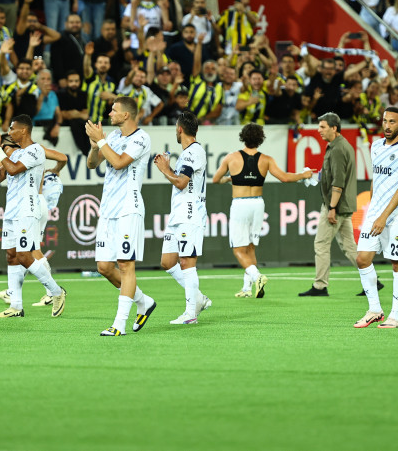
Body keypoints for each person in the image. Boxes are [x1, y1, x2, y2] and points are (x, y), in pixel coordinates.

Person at [213, 123, 312, 298]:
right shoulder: (266, 159)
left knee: (238, 249)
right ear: (260, 140)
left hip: (240, 204)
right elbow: (285, 178)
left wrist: (230, 179)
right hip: (258, 204)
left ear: (243, 137)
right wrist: (303, 175)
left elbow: (215, 179)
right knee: (250, 247)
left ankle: (258, 277)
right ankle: (246, 289)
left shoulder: (232, 158)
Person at [85, 96, 157, 336]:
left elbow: (118, 163)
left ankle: (119, 324)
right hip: (107, 209)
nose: (109, 113)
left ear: (126, 115)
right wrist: (96, 147)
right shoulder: (113, 137)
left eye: (114, 110)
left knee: (126, 265)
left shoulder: (141, 138)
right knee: (104, 266)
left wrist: (102, 140)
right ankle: (144, 301)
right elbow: (92, 164)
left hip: (129, 208)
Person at [0, 115, 67, 318]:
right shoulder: (16, 153)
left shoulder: (35, 151)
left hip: (27, 209)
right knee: (11, 256)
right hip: (12, 210)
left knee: (24, 256)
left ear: (23, 131)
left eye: (12, 129)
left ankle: (56, 292)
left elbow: (13, 170)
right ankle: (16, 306)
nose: (9, 132)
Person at [300, 112, 381, 297]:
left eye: (322, 127)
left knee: (321, 244)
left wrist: (332, 208)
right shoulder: (343, 145)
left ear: (334, 128)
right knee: (349, 247)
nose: (319, 130)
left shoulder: (336, 149)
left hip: (336, 205)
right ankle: (373, 281)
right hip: (345, 204)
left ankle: (320, 286)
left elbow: (338, 182)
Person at [354, 107, 398, 329]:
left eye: (392, 121)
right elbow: (376, 178)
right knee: (362, 258)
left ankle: (394, 316)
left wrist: (383, 216)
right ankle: (374, 309)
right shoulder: (375, 146)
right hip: (376, 213)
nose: (387, 125)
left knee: (397, 263)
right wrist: (373, 208)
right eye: (384, 121)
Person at [153, 110, 212, 324]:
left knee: (187, 261)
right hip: (178, 214)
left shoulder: (193, 152)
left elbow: (181, 182)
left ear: (180, 129)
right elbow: (180, 179)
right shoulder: (187, 154)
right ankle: (198, 299)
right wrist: (169, 168)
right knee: (168, 262)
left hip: (190, 212)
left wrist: (164, 169)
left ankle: (191, 314)